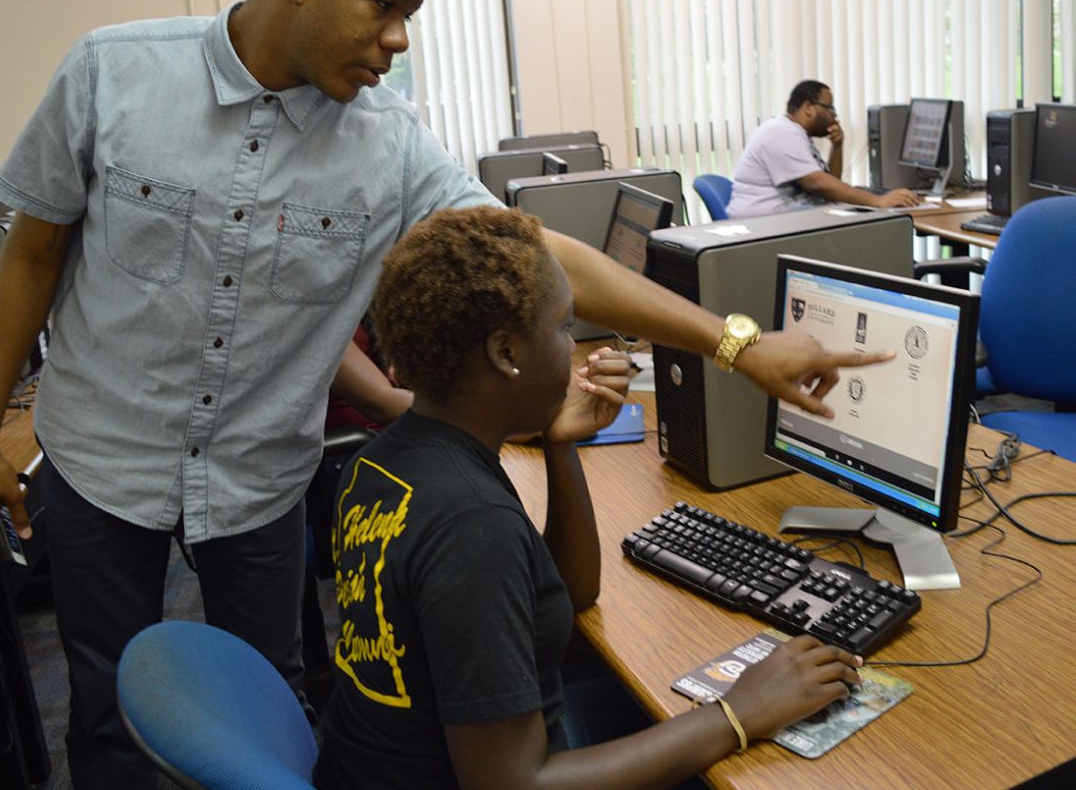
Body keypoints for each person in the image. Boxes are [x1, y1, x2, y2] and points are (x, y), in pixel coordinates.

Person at [0, 0, 893, 787]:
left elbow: (538, 254)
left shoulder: (387, 140)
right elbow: (31, 257)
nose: (398, 40)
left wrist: (736, 343)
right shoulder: (110, 73)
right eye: (385, 4)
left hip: (257, 476)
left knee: (274, 704)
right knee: (108, 718)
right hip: (101, 456)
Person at [315, 206, 863, 790]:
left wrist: (560, 446)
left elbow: (567, 593)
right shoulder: (469, 523)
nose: (573, 348)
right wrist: (738, 713)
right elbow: (516, 783)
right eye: (563, 328)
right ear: (505, 354)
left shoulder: (389, 461)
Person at [726, 80, 920, 217]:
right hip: (765, 227)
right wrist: (878, 201)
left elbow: (830, 185)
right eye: (829, 108)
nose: (834, 116)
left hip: (784, 219)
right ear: (808, 107)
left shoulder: (796, 134)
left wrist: (837, 146)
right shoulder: (782, 132)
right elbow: (817, 183)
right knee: (875, 227)